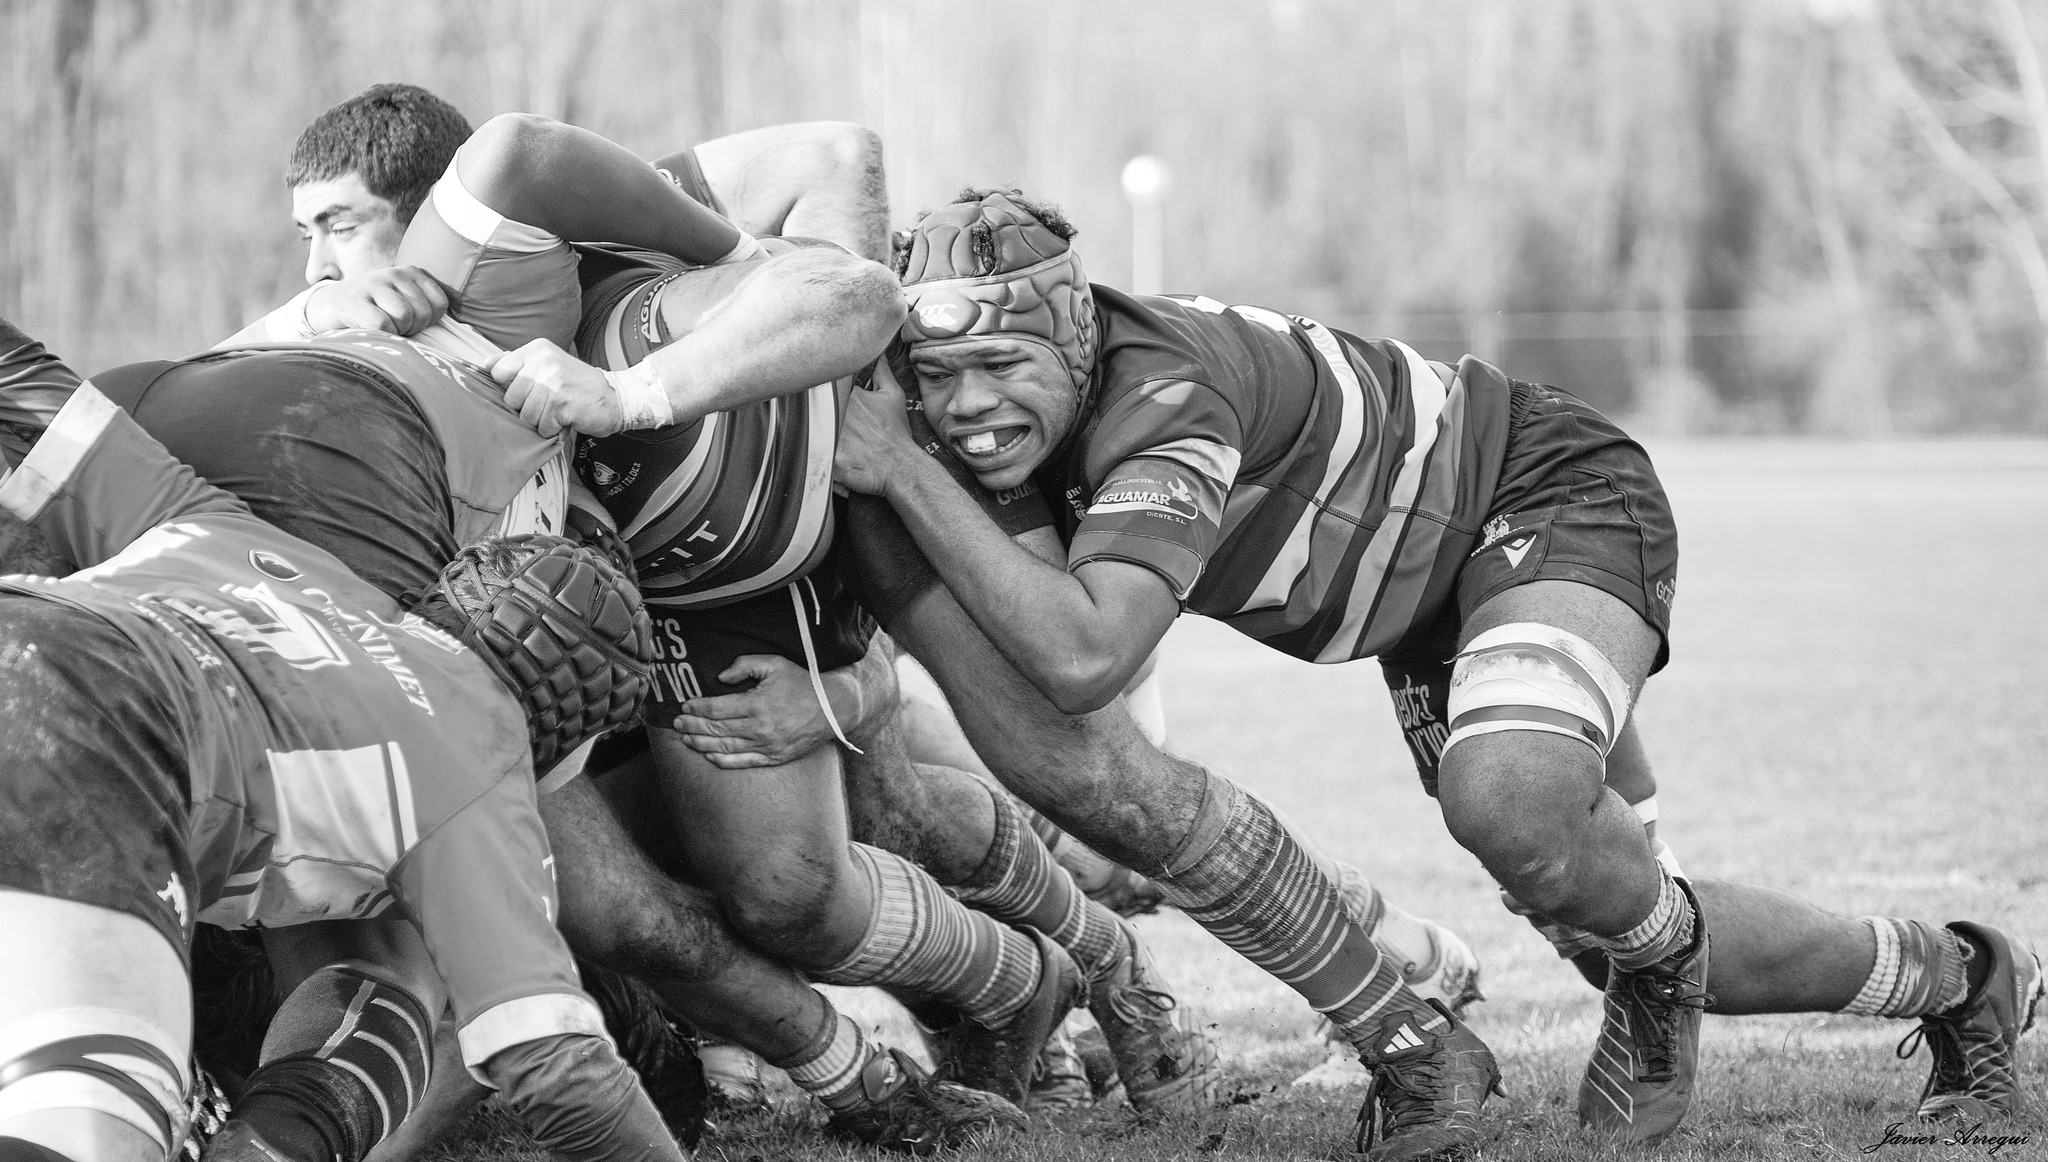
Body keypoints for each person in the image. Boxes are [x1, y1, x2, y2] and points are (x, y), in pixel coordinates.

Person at [832, 187, 2043, 1151]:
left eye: (1003, 366)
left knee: (1510, 805)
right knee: (1594, 902)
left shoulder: (1162, 394)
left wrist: (894, 465)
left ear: (1078, 331)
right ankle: (1957, 974)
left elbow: (1080, 649)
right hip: (1424, 606)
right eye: (938, 378)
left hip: (1535, 496)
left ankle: (1668, 966)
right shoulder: (1000, 438)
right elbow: (1039, 656)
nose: (971, 404)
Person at [0, 320, 675, 1162]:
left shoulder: (249, 539)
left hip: (35, 626)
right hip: (109, 737)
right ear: (560, 742)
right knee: (80, 1116)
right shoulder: (487, 760)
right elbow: (562, 1074)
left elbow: (32, 394)